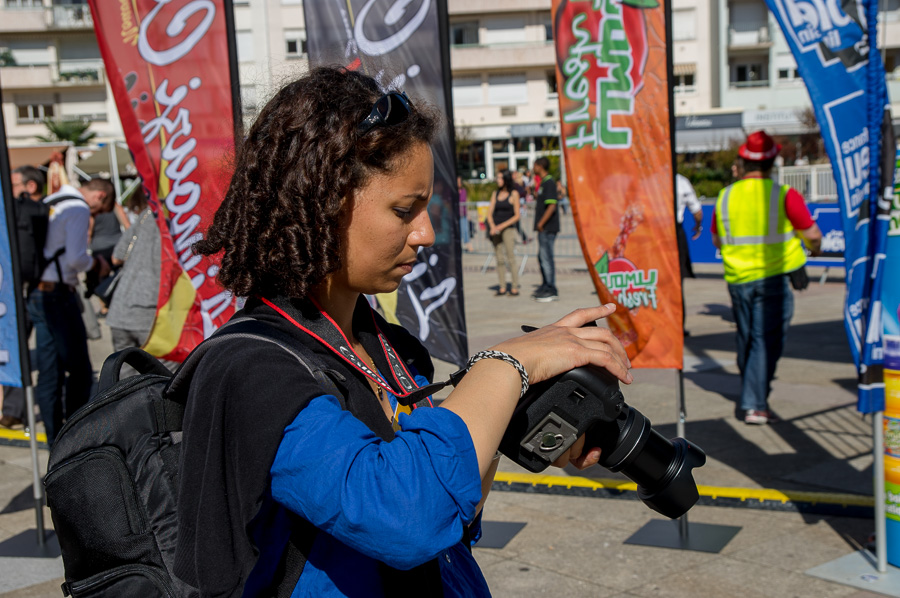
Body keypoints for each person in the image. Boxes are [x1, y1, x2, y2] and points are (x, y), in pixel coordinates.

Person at [174, 66, 632, 597]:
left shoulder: (389, 346)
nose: (426, 233)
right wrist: (507, 365)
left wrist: (514, 416)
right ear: (322, 203)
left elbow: (450, 515)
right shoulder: (251, 369)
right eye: (403, 210)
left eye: (426, 207)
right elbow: (406, 516)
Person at [711, 130, 822, 425]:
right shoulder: (784, 194)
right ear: (772, 162)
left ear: (744, 162)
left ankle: (752, 391)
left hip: (737, 280)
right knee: (765, 341)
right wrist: (812, 250)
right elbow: (812, 234)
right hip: (772, 280)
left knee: (747, 338)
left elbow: (716, 240)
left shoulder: (725, 196)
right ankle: (755, 405)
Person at [28, 178, 110, 444]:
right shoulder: (78, 208)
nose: (94, 215)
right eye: (99, 210)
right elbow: (76, 258)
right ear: (99, 196)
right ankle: (74, 438)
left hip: (38, 292)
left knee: (49, 371)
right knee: (80, 371)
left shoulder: (50, 200)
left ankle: (54, 440)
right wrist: (96, 263)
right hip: (59, 296)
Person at [1, 166, 47, 429]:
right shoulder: (38, 212)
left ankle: (14, 410)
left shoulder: (34, 212)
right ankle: (14, 409)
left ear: (30, 186)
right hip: (28, 290)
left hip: (29, 292)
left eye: (14, 185)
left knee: (15, 346)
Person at [106, 186, 163, 358]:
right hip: (151, 311)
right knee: (162, 370)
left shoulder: (144, 216)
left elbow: (117, 257)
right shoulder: (177, 220)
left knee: (123, 371)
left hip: (121, 308)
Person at [675, 174, 703, 335]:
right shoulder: (681, 181)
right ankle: (679, 326)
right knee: (677, 283)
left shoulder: (648, 179)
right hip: (674, 233)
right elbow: (697, 212)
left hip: (653, 234)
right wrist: (698, 226)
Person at [486, 170, 521, 296]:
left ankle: (514, 287)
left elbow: (517, 215)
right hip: (496, 229)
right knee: (499, 258)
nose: (498, 180)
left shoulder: (514, 194)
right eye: (497, 178)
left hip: (508, 229)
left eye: (500, 178)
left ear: (506, 179)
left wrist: (502, 226)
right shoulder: (495, 193)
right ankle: (502, 286)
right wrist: (492, 226)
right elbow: (489, 213)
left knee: (510, 258)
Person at [532, 157, 560, 302]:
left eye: (534, 165)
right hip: (544, 228)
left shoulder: (549, 182)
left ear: (540, 166)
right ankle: (545, 284)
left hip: (548, 228)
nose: (533, 168)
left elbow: (552, 205)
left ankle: (551, 288)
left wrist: (541, 223)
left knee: (546, 257)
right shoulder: (543, 182)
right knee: (542, 257)